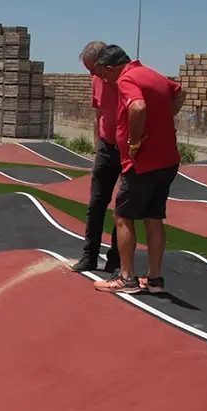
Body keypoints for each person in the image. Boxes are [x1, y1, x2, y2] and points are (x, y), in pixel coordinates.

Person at [90, 44, 186, 294]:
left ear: (111, 69)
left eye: (103, 75)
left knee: (123, 217)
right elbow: (179, 93)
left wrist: (134, 142)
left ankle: (126, 278)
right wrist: (162, 120)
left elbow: (138, 107)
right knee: (154, 218)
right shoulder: (151, 73)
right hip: (167, 160)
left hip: (142, 163)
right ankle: (154, 279)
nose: (104, 80)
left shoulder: (126, 79)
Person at [69, 40, 121, 275]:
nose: (92, 74)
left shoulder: (125, 80)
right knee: (96, 203)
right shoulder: (96, 81)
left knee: (124, 209)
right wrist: (96, 147)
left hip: (127, 151)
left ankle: (116, 260)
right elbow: (98, 114)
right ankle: (89, 256)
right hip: (105, 149)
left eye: (93, 69)